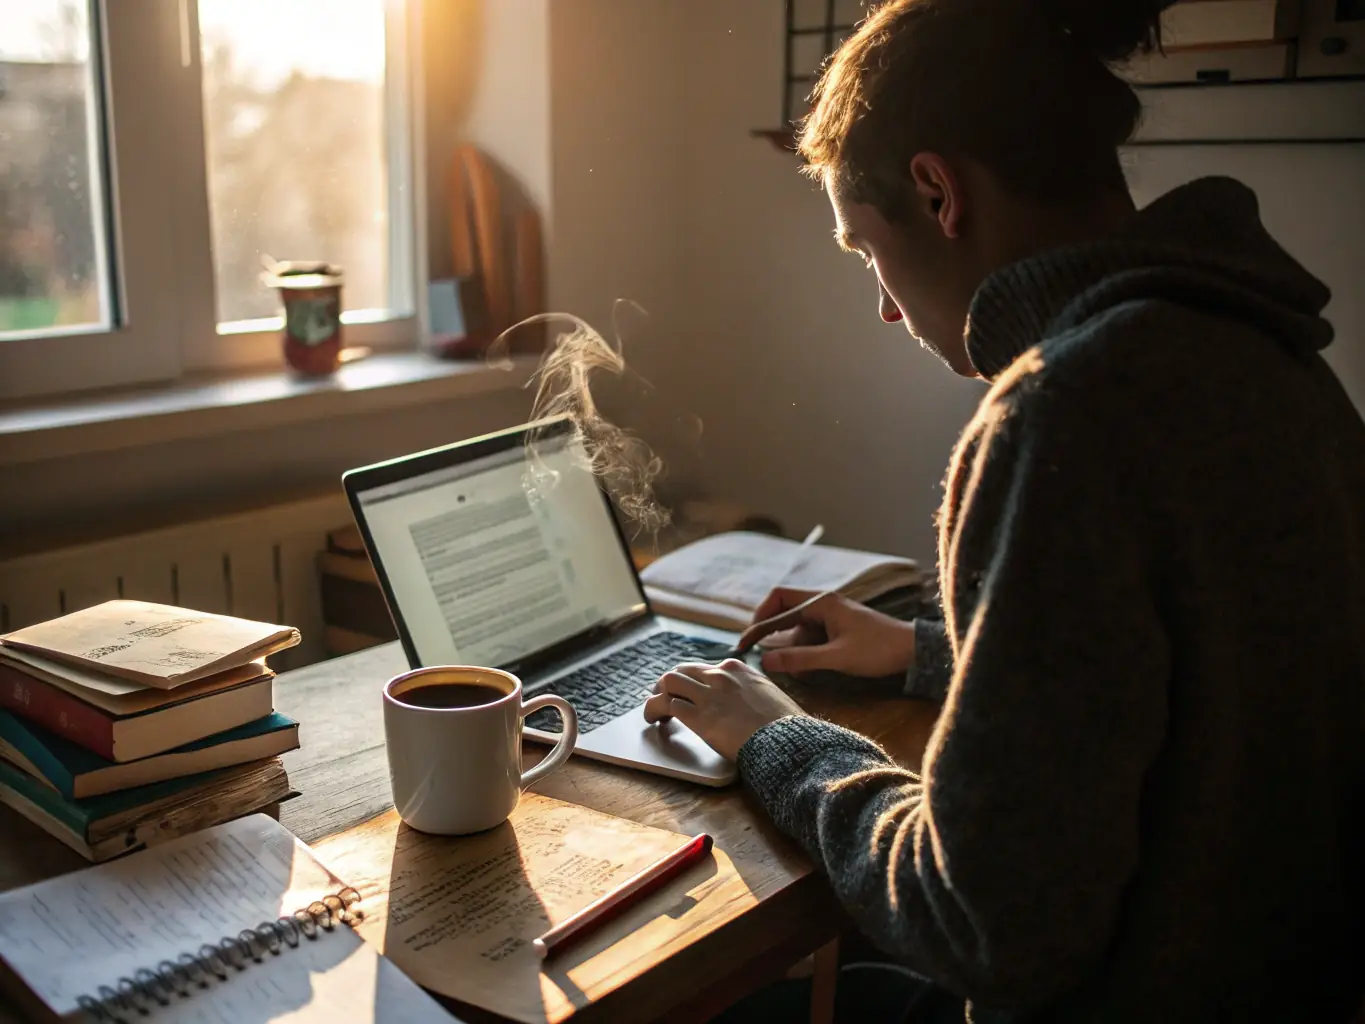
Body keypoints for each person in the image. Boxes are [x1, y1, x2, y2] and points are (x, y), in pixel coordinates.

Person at [643, 0, 1365, 1020]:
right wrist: (931, 653)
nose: (887, 307)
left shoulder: (1067, 410)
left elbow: (980, 921)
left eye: (864, 251)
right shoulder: (1272, 357)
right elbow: (1194, 679)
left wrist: (777, 734)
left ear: (937, 193)